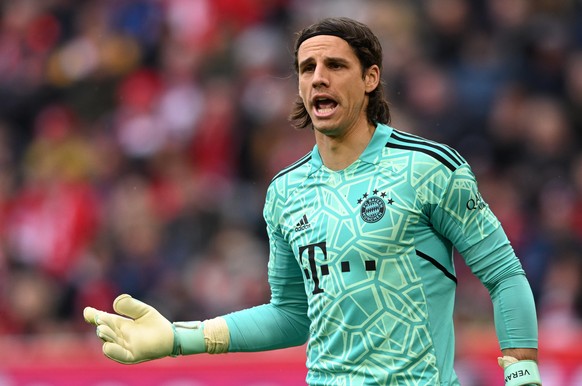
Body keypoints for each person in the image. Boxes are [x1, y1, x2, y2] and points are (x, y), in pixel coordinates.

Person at [84, 17, 542, 386]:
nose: (318, 77)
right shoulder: (285, 191)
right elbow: (291, 314)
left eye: (335, 66)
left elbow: (504, 275)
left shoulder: (427, 168)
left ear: (370, 78)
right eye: (307, 68)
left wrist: (521, 372)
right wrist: (180, 338)